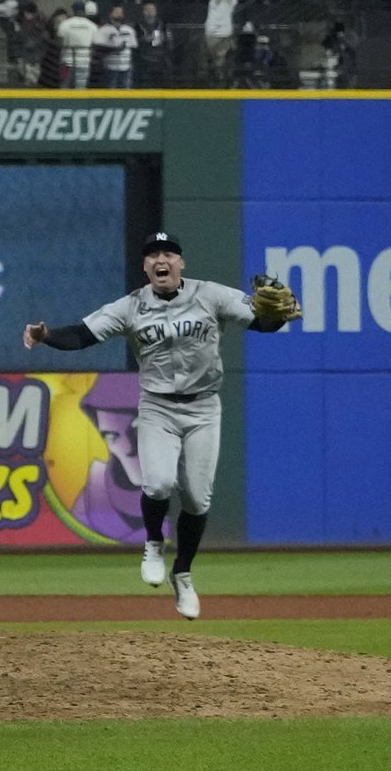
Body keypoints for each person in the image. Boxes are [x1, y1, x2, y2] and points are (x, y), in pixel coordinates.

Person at [22, 233, 294, 619]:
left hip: (203, 408)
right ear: (145, 266)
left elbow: (264, 323)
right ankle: (153, 543)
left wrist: (277, 313)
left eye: (168, 253)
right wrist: (46, 335)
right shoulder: (130, 306)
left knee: (198, 499)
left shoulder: (211, 295)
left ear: (181, 263)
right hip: (158, 408)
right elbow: (84, 335)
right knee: (159, 484)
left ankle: (182, 574)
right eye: (152, 254)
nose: (160, 259)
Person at [94, 4, 137, 88]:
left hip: (126, 66)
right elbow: (98, 48)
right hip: (111, 67)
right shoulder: (104, 30)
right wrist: (113, 48)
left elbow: (133, 46)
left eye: (120, 12)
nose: (118, 15)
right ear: (110, 14)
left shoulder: (129, 30)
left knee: (125, 90)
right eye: (116, 12)